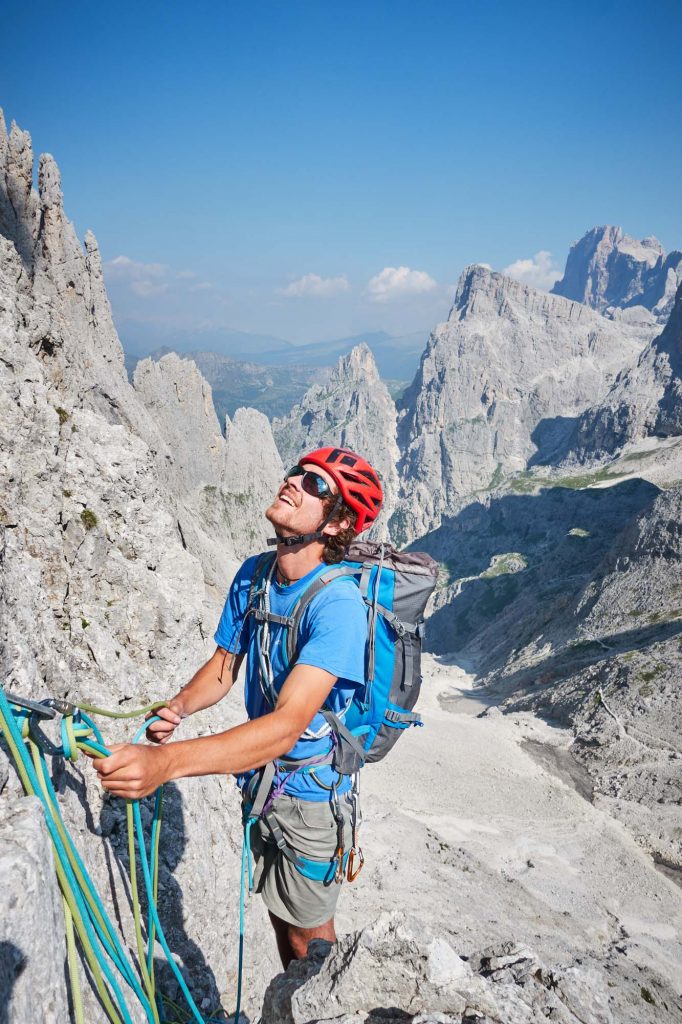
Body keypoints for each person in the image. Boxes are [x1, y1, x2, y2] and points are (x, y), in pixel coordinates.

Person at [92, 446, 383, 967]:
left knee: (310, 945)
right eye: (298, 472)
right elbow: (225, 665)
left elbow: (284, 728)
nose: (294, 482)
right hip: (263, 783)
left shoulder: (338, 607)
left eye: (316, 486)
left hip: (311, 797)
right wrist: (181, 704)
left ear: (338, 523)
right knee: (280, 921)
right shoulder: (256, 574)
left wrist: (166, 763)